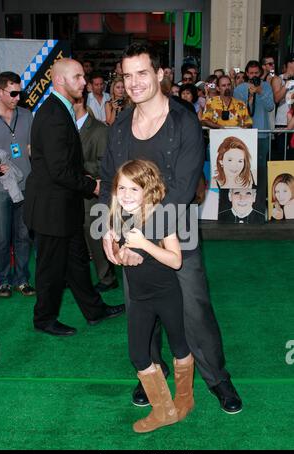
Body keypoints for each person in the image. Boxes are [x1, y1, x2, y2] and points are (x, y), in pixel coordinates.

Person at [100, 43, 242, 414]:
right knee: (142, 310)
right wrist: (108, 231)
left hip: (177, 235)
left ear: (161, 74)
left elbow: (179, 192)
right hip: (131, 237)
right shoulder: (118, 129)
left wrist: (139, 241)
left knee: (195, 309)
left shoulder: (184, 122)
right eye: (127, 75)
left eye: (141, 73)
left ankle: (217, 378)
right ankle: (152, 373)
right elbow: (107, 183)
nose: (133, 83)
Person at [23, 58, 124, 336]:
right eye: (78, 77)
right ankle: (44, 319)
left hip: (64, 206)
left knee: (77, 262)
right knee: (49, 269)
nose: (84, 82)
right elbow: (59, 171)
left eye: (83, 76)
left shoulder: (60, 109)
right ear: (59, 81)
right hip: (51, 209)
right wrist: (92, 185)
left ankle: (94, 311)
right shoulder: (54, 114)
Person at [109, 159, 194, 433]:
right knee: (138, 354)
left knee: (180, 347)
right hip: (140, 298)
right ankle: (164, 410)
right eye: (121, 188)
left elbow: (176, 260)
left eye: (134, 189)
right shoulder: (119, 217)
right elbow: (125, 255)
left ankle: (184, 399)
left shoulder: (161, 217)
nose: (126, 195)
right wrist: (123, 255)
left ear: (148, 190)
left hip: (167, 294)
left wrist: (144, 244)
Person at [0, 71, 35, 298]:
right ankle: (3, 281)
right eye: (12, 93)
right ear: (0, 91)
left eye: (19, 93)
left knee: (23, 236)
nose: (17, 97)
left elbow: (32, 148)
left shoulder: (27, 115)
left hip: (25, 185)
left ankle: (21, 280)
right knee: (0, 239)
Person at [73, 94, 118, 292]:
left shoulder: (100, 130)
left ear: (79, 102)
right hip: (71, 192)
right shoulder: (65, 128)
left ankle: (107, 277)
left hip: (93, 193)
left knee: (95, 235)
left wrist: (75, 166)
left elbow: (104, 165)